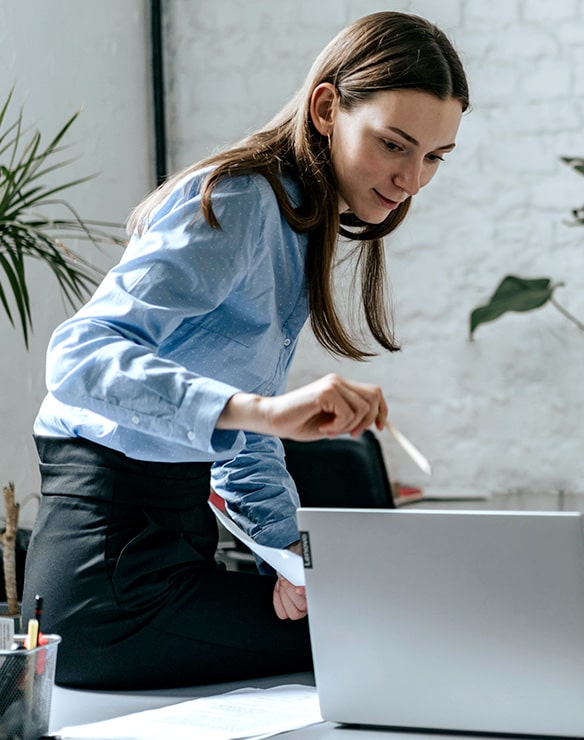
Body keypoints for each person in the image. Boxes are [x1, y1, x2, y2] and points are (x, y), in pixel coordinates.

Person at [26, 11, 467, 689]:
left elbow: (242, 439)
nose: (413, 178)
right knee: (378, 637)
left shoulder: (292, 219)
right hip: (107, 576)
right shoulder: (242, 201)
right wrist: (261, 409)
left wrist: (294, 561)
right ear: (327, 108)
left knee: (368, 625)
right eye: (394, 145)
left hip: (163, 556)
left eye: (434, 157)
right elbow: (78, 357)